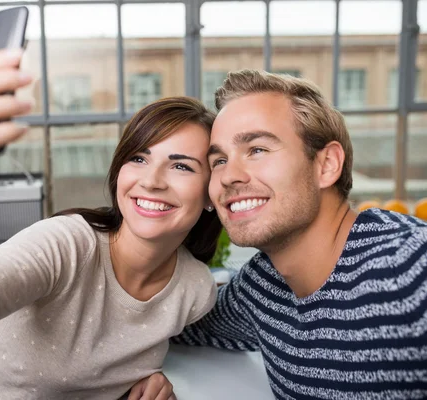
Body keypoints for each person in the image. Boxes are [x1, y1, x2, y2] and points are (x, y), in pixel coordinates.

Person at [0, 36, 223, 400]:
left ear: (210, 194)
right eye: (138, 158)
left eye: (181, 166)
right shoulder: (66, 245)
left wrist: (148, 385)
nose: (151, 181)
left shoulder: (195, 290)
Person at [171, 70, 427, 399]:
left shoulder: (413, 268)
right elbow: (183, 324)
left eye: (257, 149)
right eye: (219, 160)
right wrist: (134, 369)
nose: (228, 176)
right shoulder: (260, 287)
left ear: (327, 165)